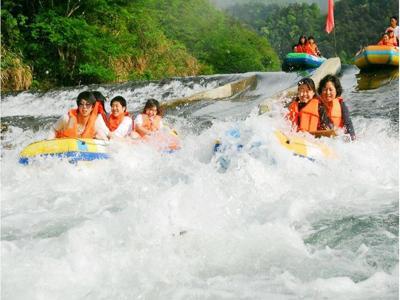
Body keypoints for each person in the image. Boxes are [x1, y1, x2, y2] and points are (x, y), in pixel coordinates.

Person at [318, 75, 356, 140]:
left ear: (336, 90)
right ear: (321, 91)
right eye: (324, 89)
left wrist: (352, 139)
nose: (327, 92)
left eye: (330, 90)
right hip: (321, 137)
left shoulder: (341, 104)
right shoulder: (317, 105)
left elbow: (348, 123)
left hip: (338, 138)